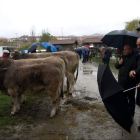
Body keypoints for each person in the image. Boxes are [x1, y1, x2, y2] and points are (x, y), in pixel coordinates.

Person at [115, 44, 138, 119]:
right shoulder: (123, 58)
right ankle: (124, 112)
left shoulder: (135, 58)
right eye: (123, 49)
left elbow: (137, 69)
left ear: (130, 50)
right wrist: (119, 63)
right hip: (121, 82)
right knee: (123, 98)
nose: (124, 51)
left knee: (131, 99)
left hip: (130, 82)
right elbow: (116, 66)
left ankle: (131, 114)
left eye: (125, 49)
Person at [129, 37, 140, 107]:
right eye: (137, 45)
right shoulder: (138, 56)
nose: (138, 47)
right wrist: (133, 71)